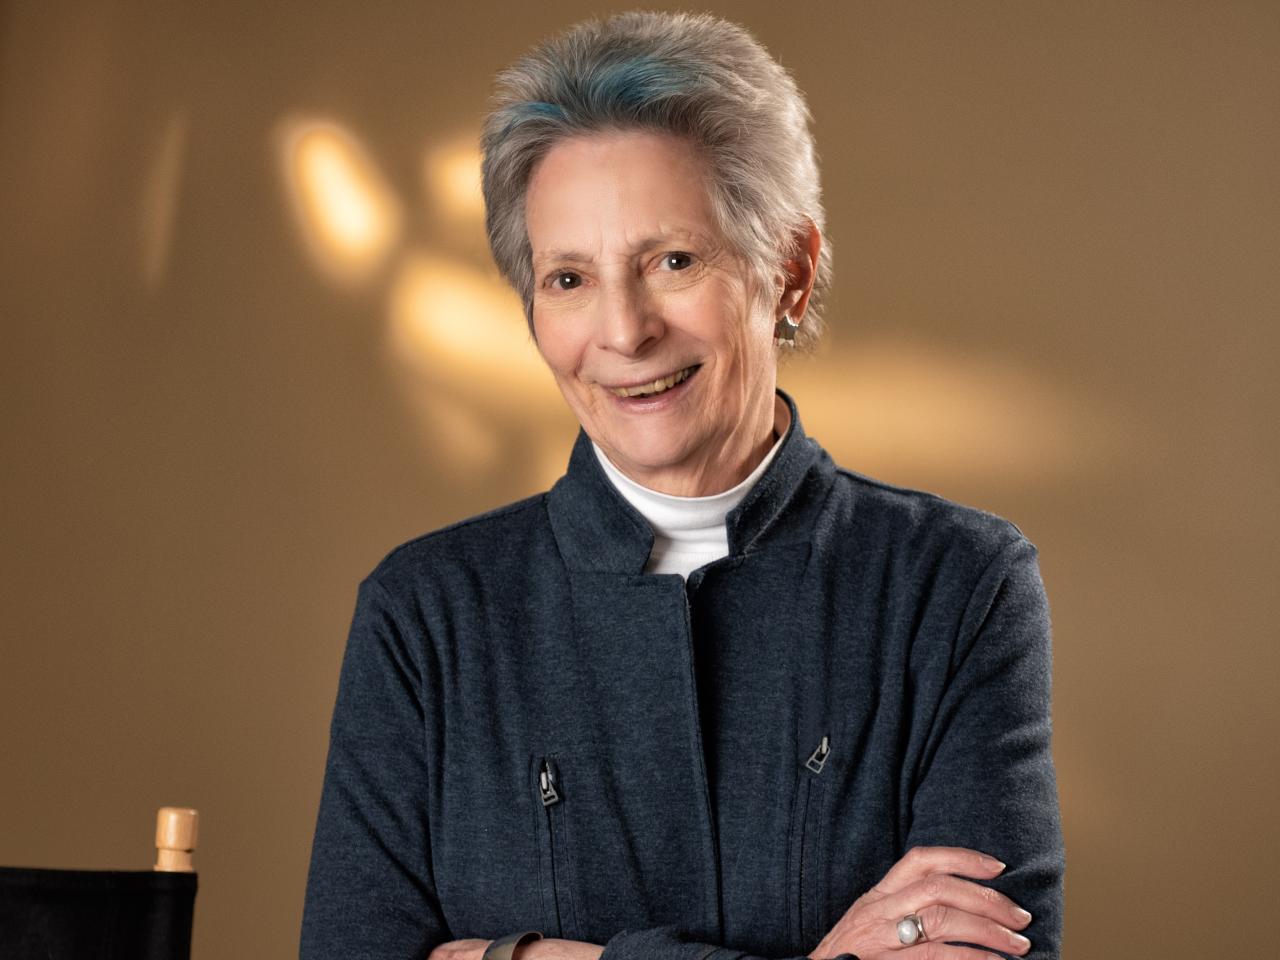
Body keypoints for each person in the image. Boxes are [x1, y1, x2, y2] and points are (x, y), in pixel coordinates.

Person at [300, 11, 1064, 960]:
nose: (623, 332)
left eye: (672, 261)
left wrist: (522, 956)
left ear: (788, 271)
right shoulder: (426, 617)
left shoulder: (956, 586)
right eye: (569, 279)